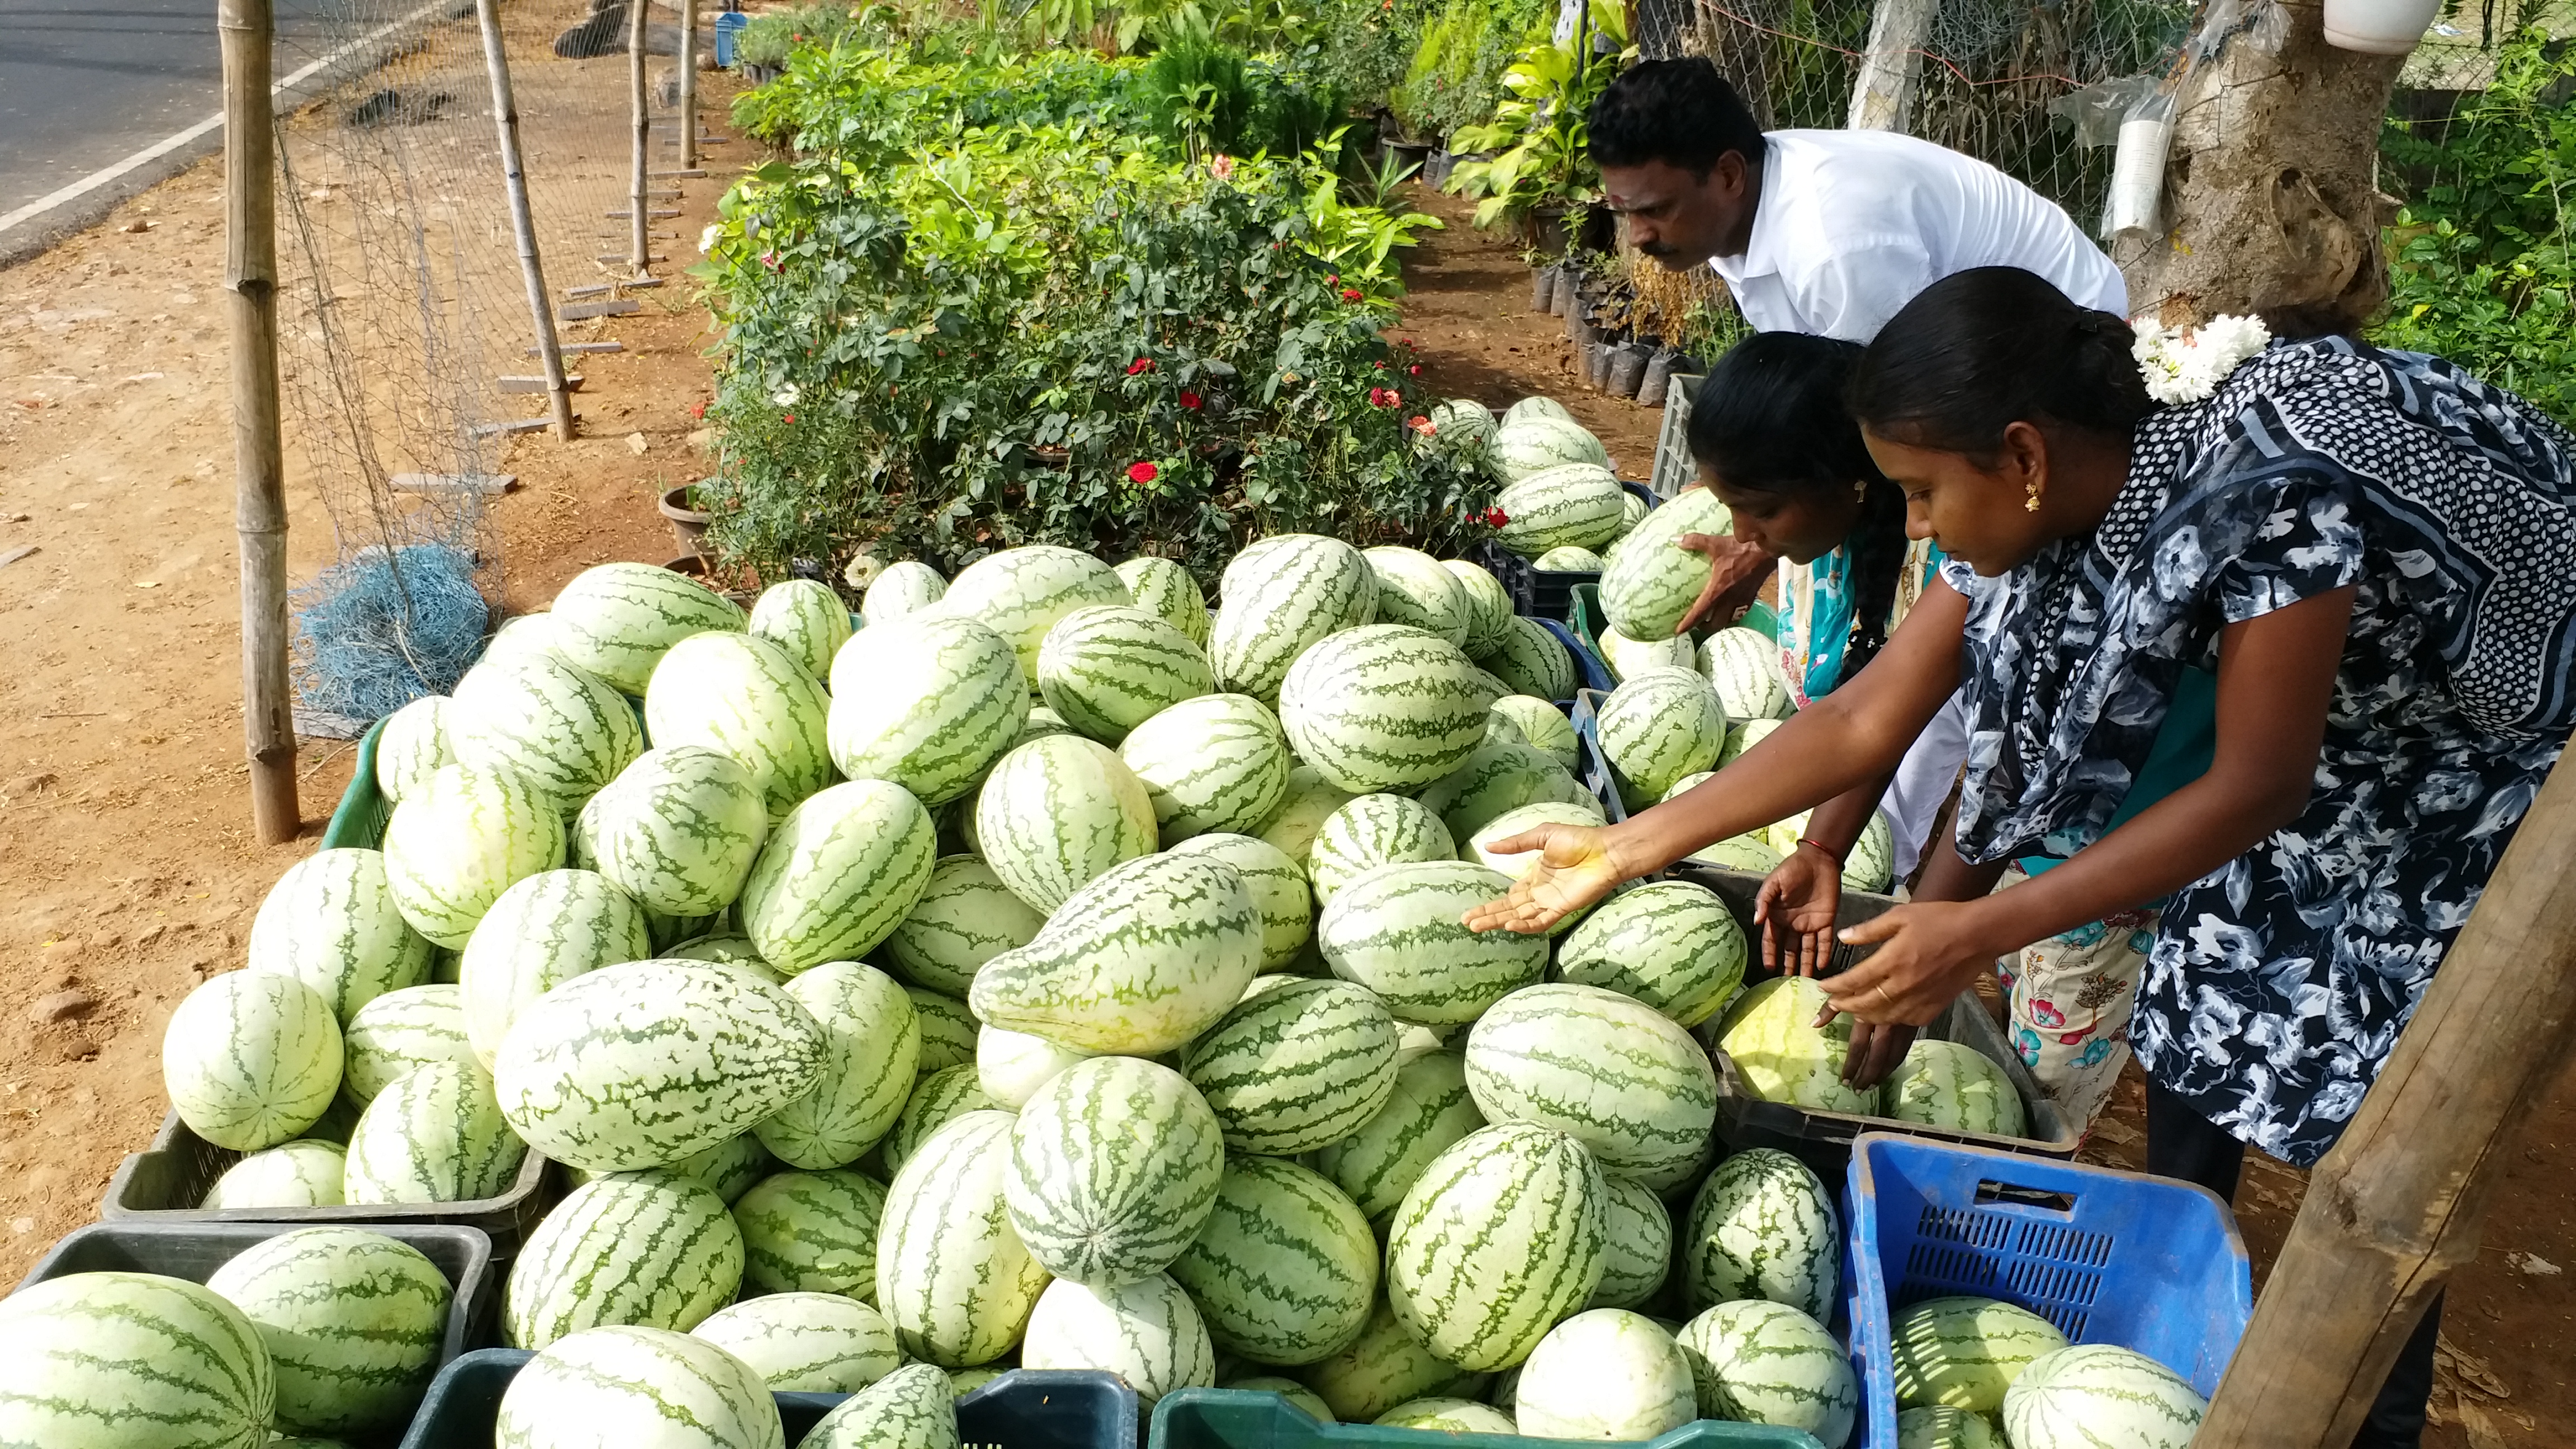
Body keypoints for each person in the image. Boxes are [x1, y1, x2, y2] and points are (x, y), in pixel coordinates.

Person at [1469, 267, 2576, 1446]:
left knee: (2385, 1127)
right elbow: (1863, 716)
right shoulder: (2058, 481)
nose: (1922, 526)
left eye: (1923, 494)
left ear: (2022, 456)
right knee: (2202, 1004)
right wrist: (1627, 846)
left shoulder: (2271, 497)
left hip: (2494, 746)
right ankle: (2174, 1269)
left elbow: (2256, 785)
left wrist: (1978, 932)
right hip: (2353, 718)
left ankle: (2381, 1405)